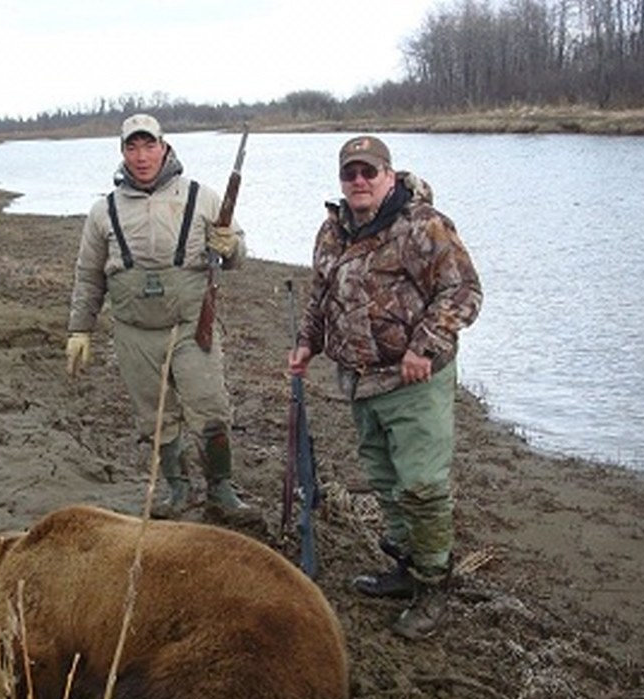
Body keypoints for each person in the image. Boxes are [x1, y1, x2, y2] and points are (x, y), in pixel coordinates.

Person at [288, 135, 483, 639]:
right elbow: (321, 293)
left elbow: (463, 290)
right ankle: (404, 568)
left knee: (421, 484)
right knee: (386, 481)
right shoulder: (333, 231)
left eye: (368, 173)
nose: (358, 181)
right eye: (350, 173)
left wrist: (424, 346)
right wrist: (307, 342)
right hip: (361, 381)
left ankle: (433, 585)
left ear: (388, 177)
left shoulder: (422, 226)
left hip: (414, 380)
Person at [65, 114, 251, 519]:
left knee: (211, 407)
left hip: (191, 327)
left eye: (149, 145)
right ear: (123, 152)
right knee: (155, 417)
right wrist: (80, 329)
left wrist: (230, 245)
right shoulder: (103, 211)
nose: (142, 156)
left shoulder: (202, 197)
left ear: (164, 147)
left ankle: (221, 489)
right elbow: (87, 274)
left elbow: (237, 258)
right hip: (133, 333)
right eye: (132, 147)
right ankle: (177, 491)